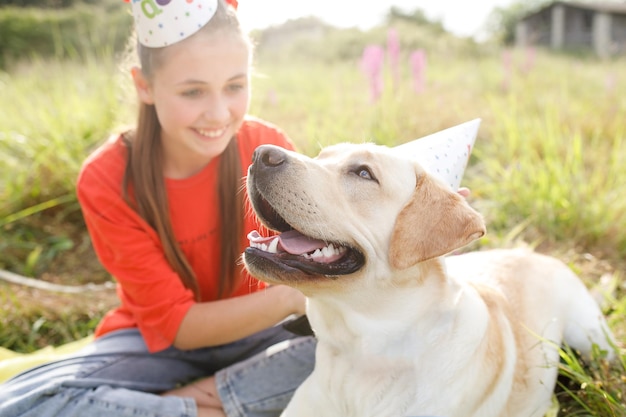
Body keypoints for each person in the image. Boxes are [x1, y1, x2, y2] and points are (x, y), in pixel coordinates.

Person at [0, 1, 316, 416]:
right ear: (144, 85)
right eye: (192, 91)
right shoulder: (107, 177)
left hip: (267, 332)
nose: (219, 113)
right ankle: (227, 402)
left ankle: (185, 404)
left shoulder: (264, 149)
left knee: (375, 344)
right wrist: (292, 298)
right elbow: (178, 327)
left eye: (235, 86)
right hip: (160, 345)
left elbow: (318, 253)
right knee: (23, 403)